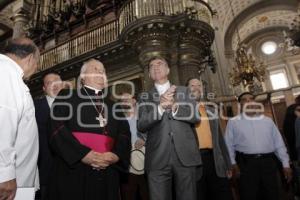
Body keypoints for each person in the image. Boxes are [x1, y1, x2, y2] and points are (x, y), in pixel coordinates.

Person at [48, 58, 131, 200]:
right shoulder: (66, 96)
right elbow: (57, 128)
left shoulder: (113, 105)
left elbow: (124, 134)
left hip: (108, 169)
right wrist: (82, 154)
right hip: (74, 169)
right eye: (95, 69)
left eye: (103, 71)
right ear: (83, 77)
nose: (100, 72)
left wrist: (116, 155)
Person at [137, 56, 201, 200]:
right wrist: (160, 108)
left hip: (185, 155)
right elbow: (141, 125)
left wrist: (174, 106)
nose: (155, 67)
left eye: (160, 64)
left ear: (168, 69)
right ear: (149, 74)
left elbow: (195, 117)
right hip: (157, 157)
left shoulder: (184, 91)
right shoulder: (144, 96)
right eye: (151, 66)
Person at [224, 92, 292, 200]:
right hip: (245, 165)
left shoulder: (268, 121)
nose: (249, 102)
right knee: (249, 195)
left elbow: (279, 144)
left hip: (268, 163)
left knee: (272, 194)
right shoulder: (233, 122)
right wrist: (232, 163)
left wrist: (286, 164)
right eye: (245, 100)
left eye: (251, 99)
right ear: (240, 104)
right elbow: (228, 144)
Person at [0, 38, 40, 200]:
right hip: (9, 182)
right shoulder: (6, 73)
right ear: (30, 59)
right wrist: (5, 172)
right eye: (37, 63)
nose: (36, 69)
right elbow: (3, 120)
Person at [186, 78, 233, 200]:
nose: (196, 88)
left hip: (215, 161)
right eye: (192, 85)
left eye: (199, 85)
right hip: (195, 163)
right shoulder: (182, 112)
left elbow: (220, 140)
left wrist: (228, 164)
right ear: (186, 90)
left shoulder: (211, 111)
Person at [34, 72, 64, 200]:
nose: (54, 85)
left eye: (57, 81)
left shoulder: (76, 106)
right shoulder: (34, 106)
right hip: (44, 171)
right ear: (44, 89)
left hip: (71, 171)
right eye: (49, 83)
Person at [119, 92, 149, 200]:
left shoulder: (144, 116)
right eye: (122, 100)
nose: (124, 101)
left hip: (145, 158)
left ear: (134, 100)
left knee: (147, 192)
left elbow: (156, 133)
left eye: (127, 98)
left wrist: (144, 139)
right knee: (129, 193)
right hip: (127, 160)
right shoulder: (119, 119)